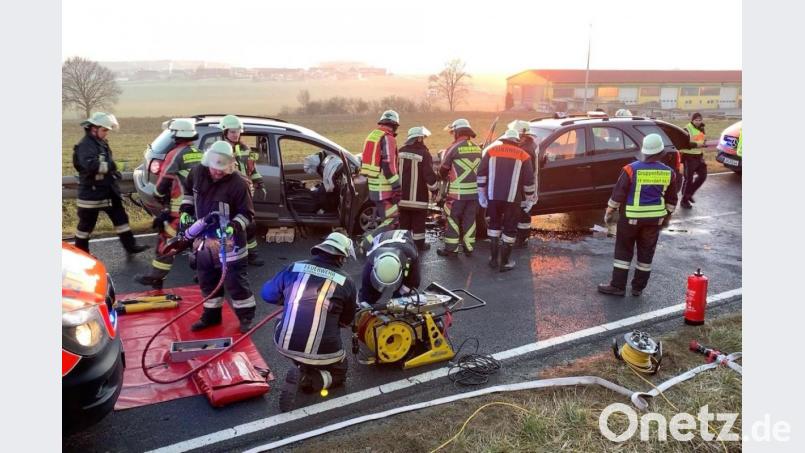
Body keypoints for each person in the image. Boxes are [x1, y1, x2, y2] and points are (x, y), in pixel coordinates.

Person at [260, 232, 357, 412]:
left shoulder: (293, 268)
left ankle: (299, 364)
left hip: (285, 345)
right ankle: (308, 379)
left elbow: (267, 294)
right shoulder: (347, 282)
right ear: (342, 258)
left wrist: (287, 297)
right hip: (324, 352)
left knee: (282, 320)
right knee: (340, 370)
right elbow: (346, 321)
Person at [179, 140, 257, 333]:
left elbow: (247, 214)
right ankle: (211, 317)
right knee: (207, 280)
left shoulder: (238, 183)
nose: (218, 172)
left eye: (222, 169)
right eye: (215, 168)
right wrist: (186, 211)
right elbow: (188, 193)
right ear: (208, 162)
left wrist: (232, 227)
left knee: (235, 282)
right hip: (204, 242)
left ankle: (246, 317)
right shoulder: (197, 172)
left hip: (230, 243)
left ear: (230, 164)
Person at [598, 133, 679, 297]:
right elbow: (672, 200)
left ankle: (618, 286)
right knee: (646, 253)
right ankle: (638, 288)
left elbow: (617, 195)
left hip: (630, 219)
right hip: (654, 220)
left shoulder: (630, 169)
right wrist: (666, 216)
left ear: (645, 151)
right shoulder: (669, 173)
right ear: (661, 152)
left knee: (623, 251)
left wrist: (609, 213)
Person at [136, 118, 203, 289]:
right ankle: (205, 275)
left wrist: (158, 196)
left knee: (167, 240)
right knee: (197, 241)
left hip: (180, 208)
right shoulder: (198, 153)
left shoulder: (175, 154)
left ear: (176, 135)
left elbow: (165, 179)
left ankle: (156, 277)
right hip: (199, 207)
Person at [72, 112, 148, 256]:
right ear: (94, 128)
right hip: (92, 194)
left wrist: (113, 173)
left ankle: (130, 247)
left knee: (121, 220)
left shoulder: (101, 143)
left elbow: (105, 165)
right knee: (85, 228)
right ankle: (81, 254)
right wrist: (111, 167)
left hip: (108, 191)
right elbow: (90, 166)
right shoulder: (85, 145)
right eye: (105, 130)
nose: (107, 133)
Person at [477, 129, 536, 272]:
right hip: (512, 199)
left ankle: (492, 260)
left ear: (504, 140)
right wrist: (529, 199)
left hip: (493, 197)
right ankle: (504, 262)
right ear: (516, 141)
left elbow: (481, 173)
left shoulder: (491, 151)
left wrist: (482, 193)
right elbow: (529, 181)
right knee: (509, 229)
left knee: (494, 226)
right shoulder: (524, 155)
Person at [220, 114, 265, 266]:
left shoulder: (245, 149)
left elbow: (252, 169)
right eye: (232, 131)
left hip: (244, 194)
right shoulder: (220, 150)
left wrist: (259, 182)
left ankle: (252, 255)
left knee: (250, 224)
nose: (236, 134)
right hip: (227, 196)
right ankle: (220, 261)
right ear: (224, 132)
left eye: (238, 131)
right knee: (227, 228)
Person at [437, 119, 482, 257]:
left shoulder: (454, 148)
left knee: (452, 218)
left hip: (457, 194)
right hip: (474, 193)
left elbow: (443, 169)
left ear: (457, 132)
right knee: (470, 219)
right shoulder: (477, 148)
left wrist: (443, 176)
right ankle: (469, 247)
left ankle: (451, 249)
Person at [359, 110, 402, 250]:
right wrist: (397, 185)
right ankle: (367, 243)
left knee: (389, 218)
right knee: (392, 219)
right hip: (385, 189)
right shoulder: (388, 138)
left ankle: (386, 244)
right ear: (395, 125)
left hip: (374, 187)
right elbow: (388, 163)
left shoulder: (373, 135)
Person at [397, 126, 439, 251]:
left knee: (404, 223)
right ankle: (419, 245)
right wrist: (435, 190)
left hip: (402, 198)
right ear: (419, 138)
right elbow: (429, 176)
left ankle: (404, 244)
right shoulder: (424, 154)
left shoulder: (400, 151)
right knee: (418, 224)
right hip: (419, 200)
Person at [359, 229, 420, 307]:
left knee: (403, 293)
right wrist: (365, 303)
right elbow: (366, 288)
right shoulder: (371, 262)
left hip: (403, 243)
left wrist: (398, 300)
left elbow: (413, 282)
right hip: (381, 242)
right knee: (368, 296)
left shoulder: (411, 256)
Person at [508, 120, 539, 248]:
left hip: (524, 187)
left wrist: (528, 194)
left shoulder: (526, 149)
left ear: (523, 135)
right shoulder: (530, 145)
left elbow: (527, 174)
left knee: (523, 212)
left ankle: (522, 239)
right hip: (525, 187)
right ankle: (522, 237)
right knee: (523, 212)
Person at [680, 112, 707, 209]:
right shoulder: (687, 129)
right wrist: (697, 145)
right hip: (689, 157)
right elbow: (683, 143)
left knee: (703, 176)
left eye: (700, 120)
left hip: (699, 156)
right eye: (696, 120)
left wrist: (704, 143)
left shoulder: (702, 128)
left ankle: (689, 194)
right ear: (692, 120)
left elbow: (702, 140)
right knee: (689, 179)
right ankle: (684, 201)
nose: (698, 122)